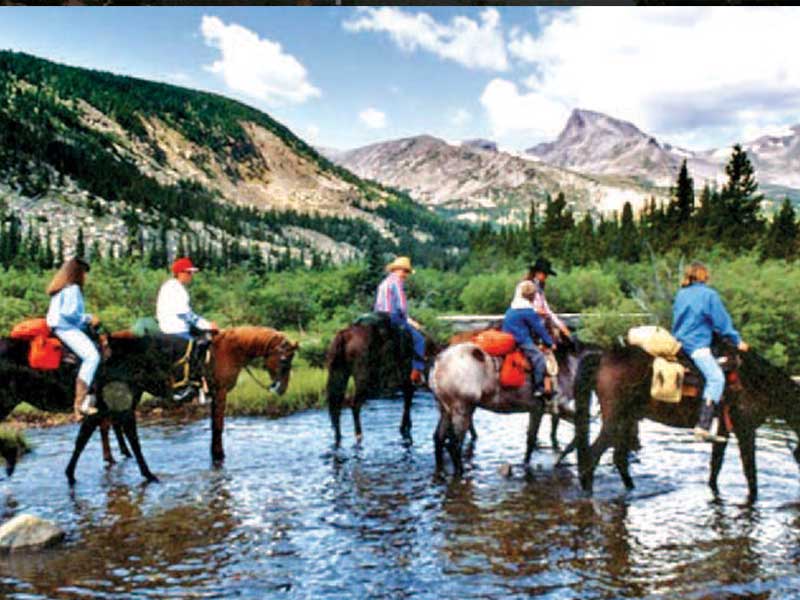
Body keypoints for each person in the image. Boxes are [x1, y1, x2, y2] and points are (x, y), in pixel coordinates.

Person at [672, 262, 749, 442]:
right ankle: (703, 426)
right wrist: (738, 341)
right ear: (702, 275)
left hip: (678, 344)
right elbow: (722, 323)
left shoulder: (681, 294)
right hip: (696, 345)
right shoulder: (709, 295)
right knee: (716, 378)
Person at [46, 257, 101, 420]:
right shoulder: (73, 289)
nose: (86, 277)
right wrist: (89, 318)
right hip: (65, 327)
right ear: (78, 273)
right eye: (84, 273)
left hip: (58, 326)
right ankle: (81, 403)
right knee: (92, 357)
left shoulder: (60, 288)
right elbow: (70, 315)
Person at [156, 257, 216, 401]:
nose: (191, 276)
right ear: (180, 273)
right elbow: (186, 314)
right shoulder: (175, 289)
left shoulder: (172, 286)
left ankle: (200, 385)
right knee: (196, 348)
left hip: (174, 325)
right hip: (175, 328)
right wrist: (208, 325)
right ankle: (185, 386)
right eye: (189, 273)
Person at [374, 256, 426, 385]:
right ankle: (416, 372)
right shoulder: (397, 283)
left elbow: (377, 304)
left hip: (378, 315)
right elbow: (401, 306)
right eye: (406, 272)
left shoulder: (384, 282)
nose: (406, 275)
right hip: (392, 316)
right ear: (400, 270)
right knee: (420, 340)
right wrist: (410, 320)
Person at [502, 280, 555, 399]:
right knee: (539, 358)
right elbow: (539, 329)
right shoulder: (528, 311)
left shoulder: (513, 308)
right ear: (531, 296)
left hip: (507, 336)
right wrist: (550, 343)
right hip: (520, 340)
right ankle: (539, 388)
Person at [525, 257, 572, 342]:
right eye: (545, 274)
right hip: (528, 325)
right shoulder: (525, 286)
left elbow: (547, 309)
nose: (546, 277)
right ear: (537, 273)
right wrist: (536, 310)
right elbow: (521, 304)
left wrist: (560, 325)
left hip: (537, 325)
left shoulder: (539, 289)